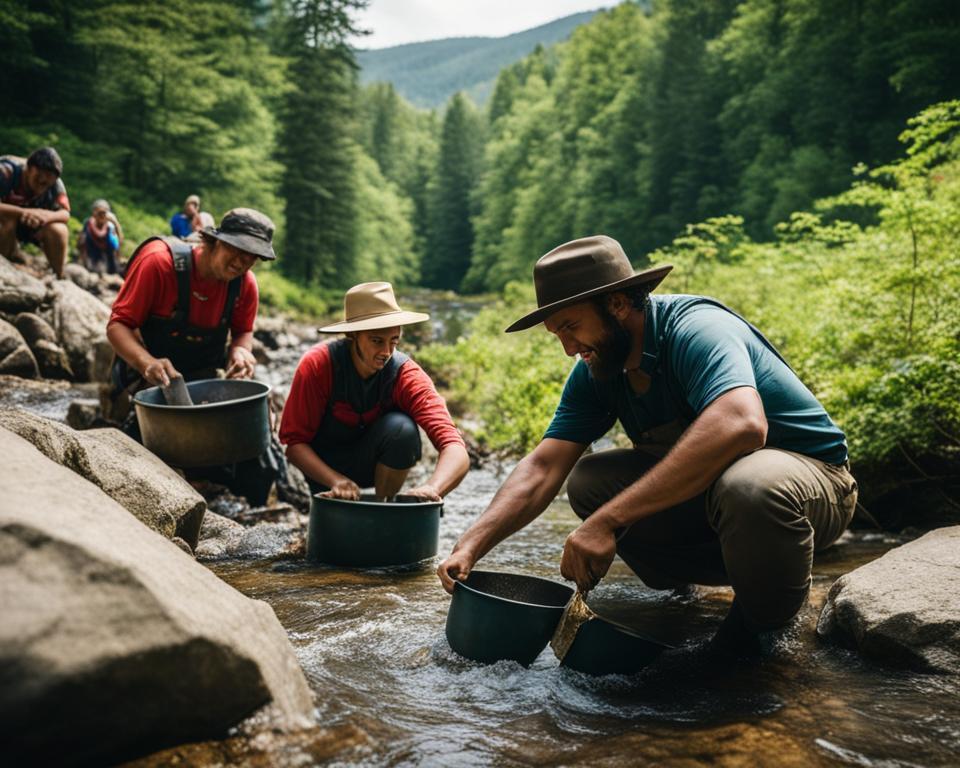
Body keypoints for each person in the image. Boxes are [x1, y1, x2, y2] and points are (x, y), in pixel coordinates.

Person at [437, 235, 858, 658]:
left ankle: (763, 628)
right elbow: (545, 466)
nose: (568, 349)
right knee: (589, 480)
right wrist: (471, 544)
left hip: (814, 486)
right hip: (720, 501)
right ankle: (695, 586)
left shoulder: (697, 330)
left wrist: (606, 522)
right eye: (556, 334)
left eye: (571, 326)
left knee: (748, 486)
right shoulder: (598, 366)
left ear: (618, 304)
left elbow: (742, 424)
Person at [280, 281, 470, 502]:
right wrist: (336, 481)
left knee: (402, 429)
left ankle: (383, 509)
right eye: (377, 341)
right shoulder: (317, 365)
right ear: (353, 336)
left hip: (372, 466)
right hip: (322, 468)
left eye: (394, 341)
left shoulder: (405, 375)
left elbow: (454, 446)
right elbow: (294, 445)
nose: (386, 352)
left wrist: (433, 488)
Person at [0, 147, 70, 278]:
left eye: (47, 180)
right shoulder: (5, 171)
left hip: (32, 225)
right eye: (38, 177)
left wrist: (45, 216)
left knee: (59, 229)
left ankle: (59, 276)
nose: (43, 181)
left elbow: (65, 213)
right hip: (5, 222)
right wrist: (23, 212)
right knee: (7, 220)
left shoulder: (56, 184)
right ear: (28, 168)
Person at [77, 198, 123, 274]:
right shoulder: (88, 224)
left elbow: (119, 244)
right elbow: (80, 245)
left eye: (104, 213)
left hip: (108, 262)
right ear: (94, 213)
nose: (101, 216)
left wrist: (116, 223)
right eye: (99, 213)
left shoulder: (111, 227)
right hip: (91, 260)